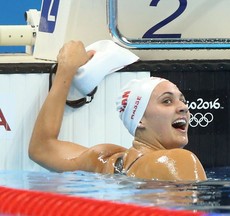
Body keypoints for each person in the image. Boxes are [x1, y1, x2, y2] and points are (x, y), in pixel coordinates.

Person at [29, 40, 207, 181]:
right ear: (139, 120)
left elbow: (41, 148)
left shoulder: (105, 161)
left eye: (182, 100)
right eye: (167, 101)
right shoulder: (178, 160)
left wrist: (65, 70)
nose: (184, 107)